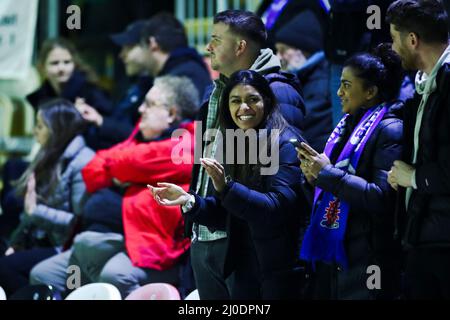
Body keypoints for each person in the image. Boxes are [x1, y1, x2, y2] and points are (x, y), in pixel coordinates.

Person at [30, 76, 198, 298]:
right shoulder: (141, 137)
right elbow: (93, 169)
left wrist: (123, 172)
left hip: (149, 249)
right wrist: (129, 174)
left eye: (149, 104)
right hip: (109, 239)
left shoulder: (185, 144)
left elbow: (127, 161)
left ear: (171, 114)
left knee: (112, 274)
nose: (140, 109)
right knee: (44, 274)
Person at [150, 70, 309, 299]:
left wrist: (227, 188)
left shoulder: (285, 142)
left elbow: (276, 208)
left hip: (280, 270)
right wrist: (190, 201)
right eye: (235, 101)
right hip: (245, 268)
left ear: (267, 100)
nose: (243, 108)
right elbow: (228, 213)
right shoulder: (235, 143)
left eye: (252, 99)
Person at [181, 9, 306, 300]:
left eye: (215, 40)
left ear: (240, 47)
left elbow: (278, 186)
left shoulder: (278, 92)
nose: (207, 47)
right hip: (209, 229)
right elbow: (205, 168)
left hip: (245, 244)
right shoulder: (216, 92)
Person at [298, 44, 404, 299]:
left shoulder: (391, 129)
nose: (339, 92)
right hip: (339, 257)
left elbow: (381, 197)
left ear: (370, 91)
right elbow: (331, 183)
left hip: (369, 257)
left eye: (346, 85)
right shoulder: (345, 127)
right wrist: (312, 177)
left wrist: (327, 174)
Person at [386, 0, 450, 299]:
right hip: (424, 237)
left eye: (394, 38)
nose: (392, 47)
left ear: (413, 40)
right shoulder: (424, 86)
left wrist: (412, 177)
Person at [0, 99, 94, 297]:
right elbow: (30, 212)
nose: (34, 131)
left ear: (57, 129)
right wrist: (16, 243)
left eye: (40, 126)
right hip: (42, 237)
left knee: (6, 268)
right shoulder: (47, 154)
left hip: (67, 246)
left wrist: (36, 212)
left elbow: (78, 224)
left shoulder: (83, 162)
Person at [74, 20, 153, 150]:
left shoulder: (156, 88)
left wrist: (101, 121)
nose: (121, 55)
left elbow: (140, 136)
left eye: (128, 47)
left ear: (149, 46)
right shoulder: (134, 84)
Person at [26, 38, 113, 151]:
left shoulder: (91, 92)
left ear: (75, 64)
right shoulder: (41, 98)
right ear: (43, 67)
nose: (61, 68)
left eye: (67, 62)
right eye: (54, 63)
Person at [275, 9, 333, 151]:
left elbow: (298, 122)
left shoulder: (321, 81)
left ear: (303, 50)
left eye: (283, 50)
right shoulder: (307, 76)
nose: (278, 57)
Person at [138, 12, 212, 99]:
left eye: (141, 46)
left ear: (152, 43)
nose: (141, 108)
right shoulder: (190, 68)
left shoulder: (180, 79)